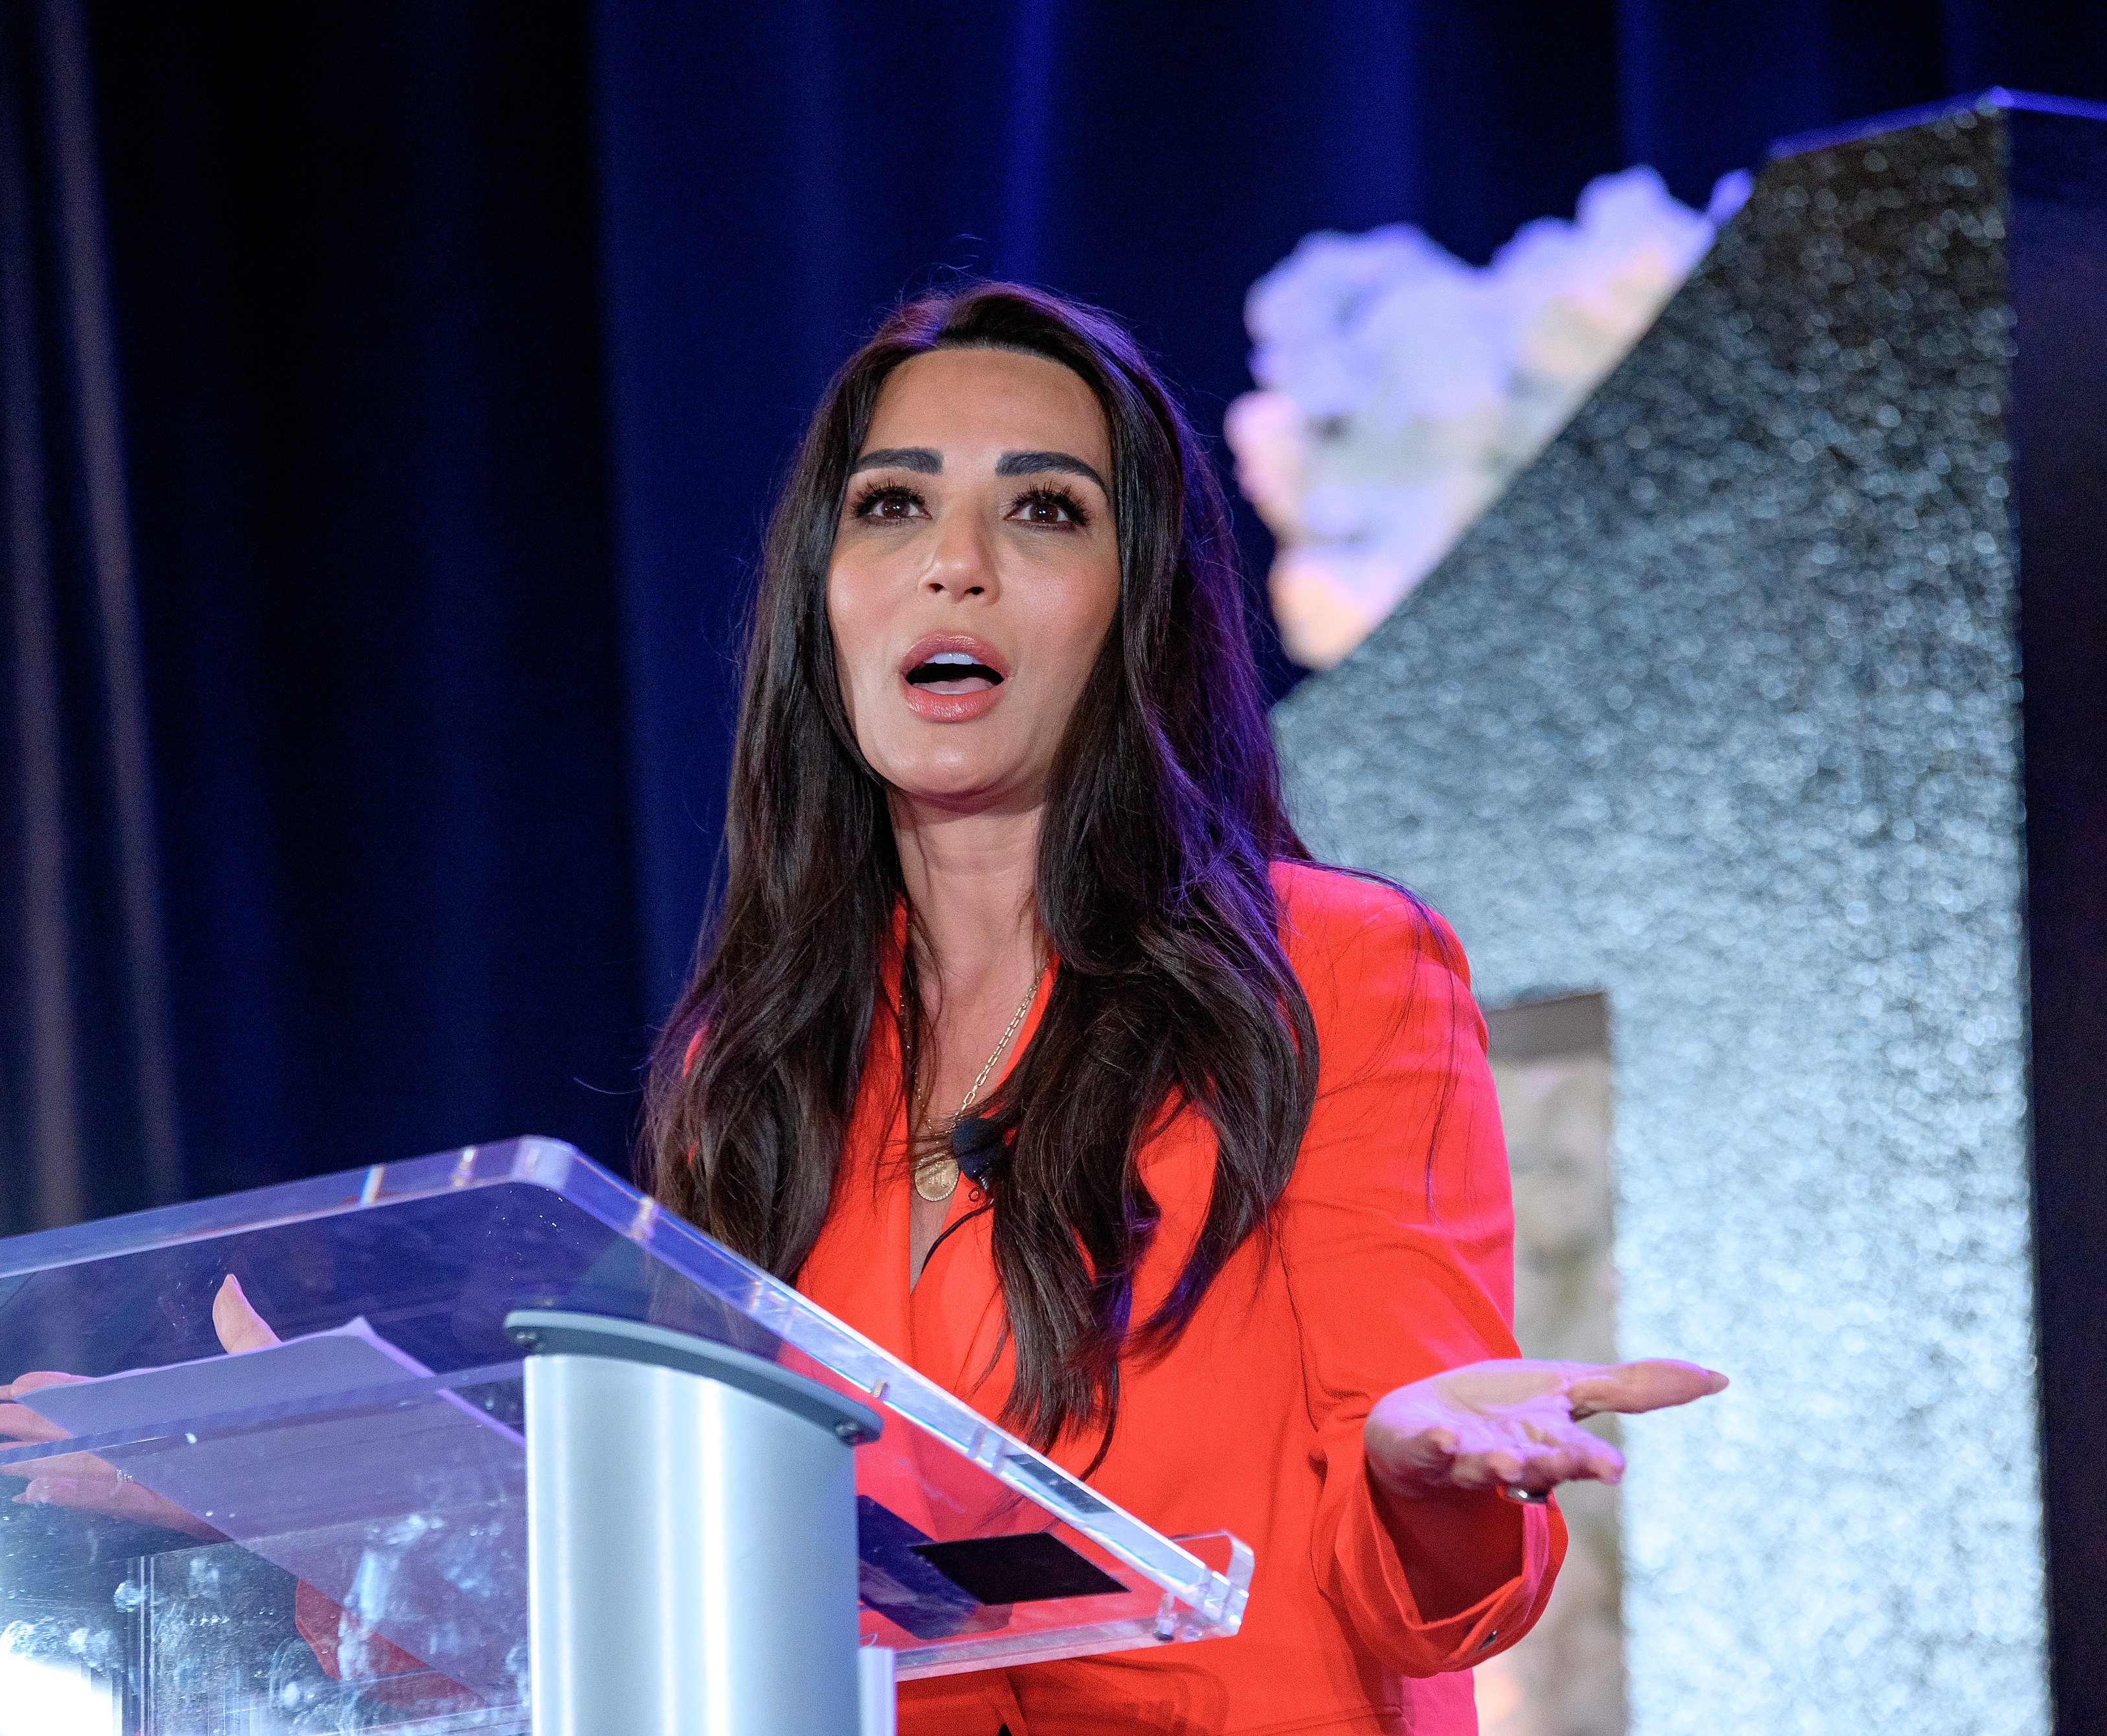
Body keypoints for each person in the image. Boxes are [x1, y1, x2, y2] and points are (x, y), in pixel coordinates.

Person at [634, 281, 1723, 1736]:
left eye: (1044, 513)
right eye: (890, 506)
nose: (951, 564)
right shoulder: (751, 1064)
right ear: (818, 594)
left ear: (1135, 606)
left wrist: (1419, 1478)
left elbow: (1427, 1592)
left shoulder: (1324, 973)